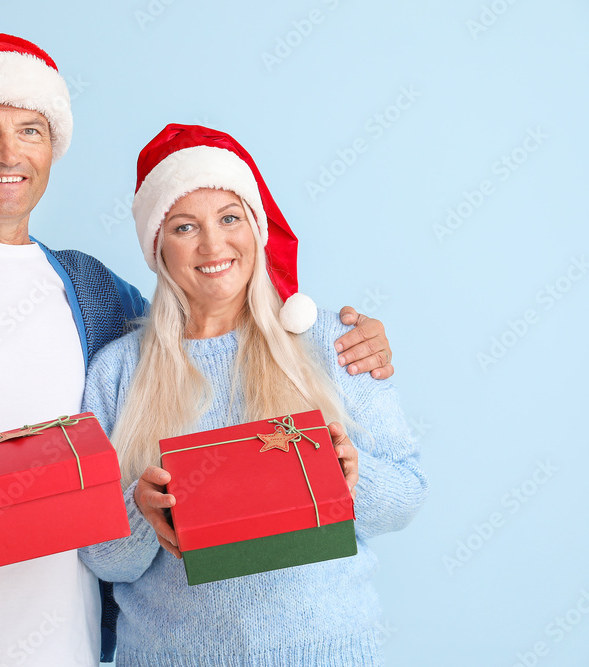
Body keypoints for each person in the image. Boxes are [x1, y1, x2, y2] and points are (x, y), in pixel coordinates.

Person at [0, 34, 395, 667]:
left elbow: (204, 318)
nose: (9, 153)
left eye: (30, 130)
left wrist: (347, 337)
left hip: (66, 641)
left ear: (52, 149)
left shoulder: (93, 291)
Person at [78, 124, 428, 666]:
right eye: (184, 226)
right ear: (158, 247)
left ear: (256, 230)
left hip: (324, 653)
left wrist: (352, 476)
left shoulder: (334, 342)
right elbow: (104, 559)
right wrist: (139, 512)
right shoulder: (118, 372)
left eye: (229, 218)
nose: (213, 244)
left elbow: (406, 498)